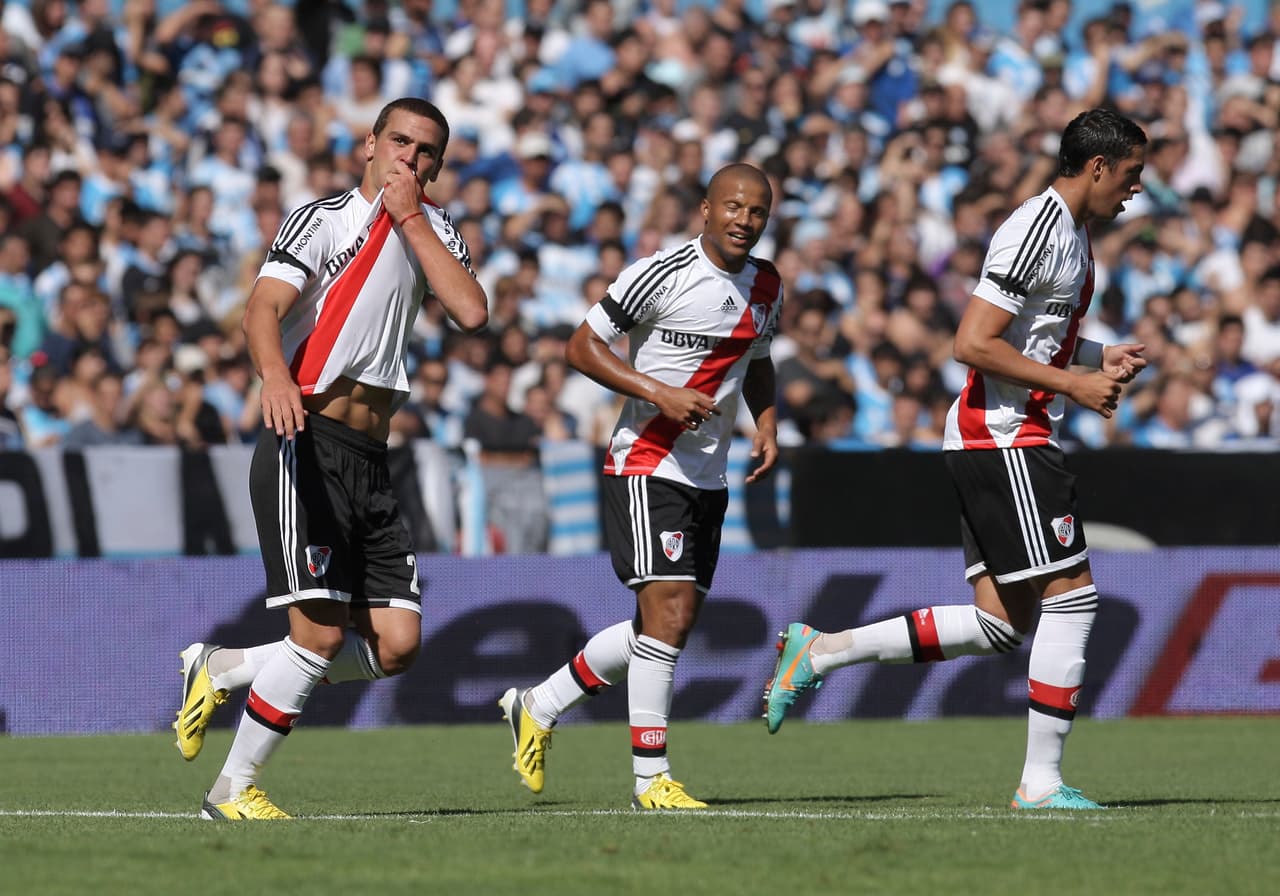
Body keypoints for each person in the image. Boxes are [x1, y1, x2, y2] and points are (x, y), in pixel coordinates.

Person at [762, 108, 1150, 811]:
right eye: (1130, 175)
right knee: (1076, 597)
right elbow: (971, 343)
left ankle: (817, 652)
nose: (1135, 191)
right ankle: (1040, 783)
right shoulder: (1037, 229)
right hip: (1004, 436)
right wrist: (1076, 384)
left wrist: (1096, 356)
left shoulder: (1072, 236)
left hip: (1002, 434)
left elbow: (1031, 341)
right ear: (1097, 167)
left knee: (1002, 623)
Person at [171, 97, 488, 820]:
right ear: (368, 145)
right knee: (316, 634)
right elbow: (262, 308)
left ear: (438, 166)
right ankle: (233, 791)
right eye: (399, 141)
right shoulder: (324, 219)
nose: (411, 157)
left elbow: (472, 312)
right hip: (305, 437)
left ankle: (224, 668)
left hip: (373, 457)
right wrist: (275, 376)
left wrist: (410, 218)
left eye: (427, 151)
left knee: (399, 645)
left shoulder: (436, 231)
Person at [499, 163, 782, 810]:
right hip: (646, 460)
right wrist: (658, 391)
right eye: (733, 206)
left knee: (666, 627)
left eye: (757, 211)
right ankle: (651, 780)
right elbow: (580, 347)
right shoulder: (662, 272)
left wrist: (766, 425)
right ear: (706, 209)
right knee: (668, 617)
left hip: (709, 476)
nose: (744, 219)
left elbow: (757, 362)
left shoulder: (767, 285)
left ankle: (537, 705)